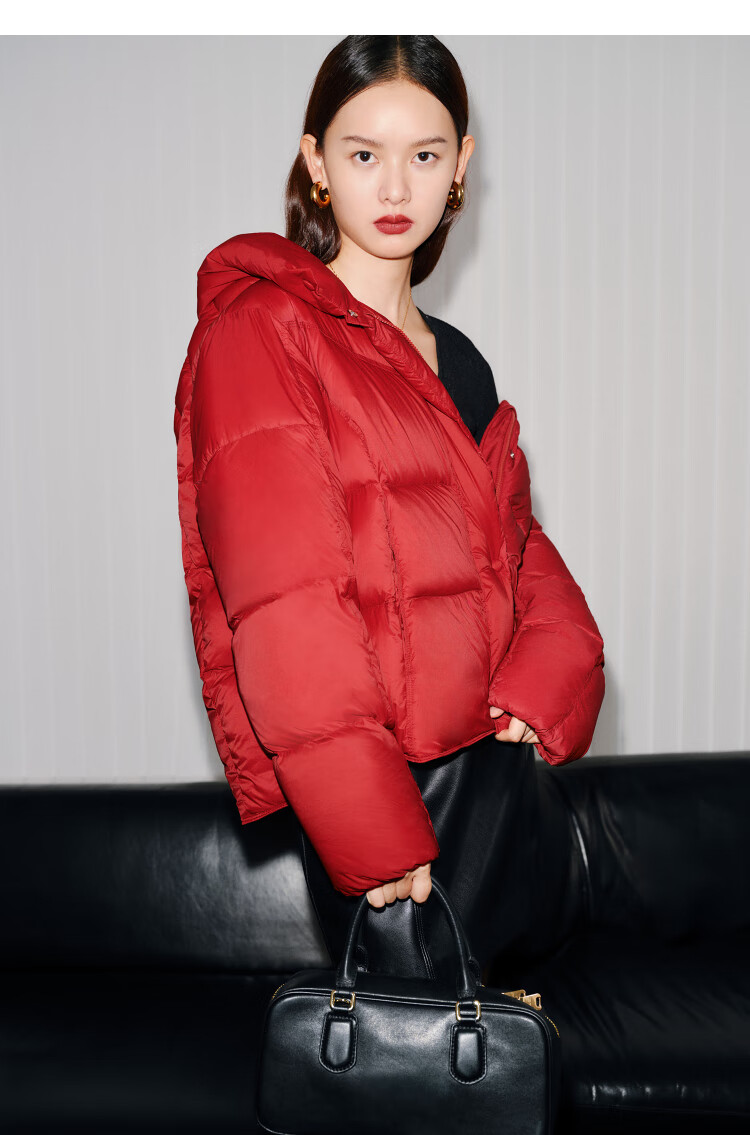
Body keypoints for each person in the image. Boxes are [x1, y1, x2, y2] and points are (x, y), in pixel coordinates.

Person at [174, 35, 605, 983]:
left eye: (426, 153)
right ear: (317, 162)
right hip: (395, 799)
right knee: (420, 1050)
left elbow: (515, 544)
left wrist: (556, 666)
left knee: (507, 1048)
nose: (397, 185)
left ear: (461, 167)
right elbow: (287, 601)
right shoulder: (263, 332)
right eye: (365, 153)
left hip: (493, 784)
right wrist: (366, 825)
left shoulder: (460, 358)